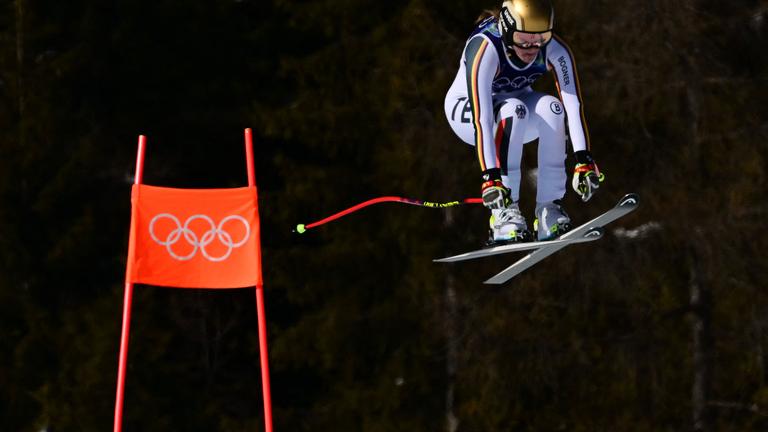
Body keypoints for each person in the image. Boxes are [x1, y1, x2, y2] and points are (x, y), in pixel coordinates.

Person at [444, 0, 604, 244]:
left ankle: (549, 209)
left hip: (516, 110)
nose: (532, 47)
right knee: (513, 110)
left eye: (541, 38)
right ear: (507, 30)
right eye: (523, 39)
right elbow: (482, 119)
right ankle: (503, 215)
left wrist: (584, 160)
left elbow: (573, 106)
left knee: (552, 108)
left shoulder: (555, 50)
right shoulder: (486, 47)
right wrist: (490, 178)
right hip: (466, 112)